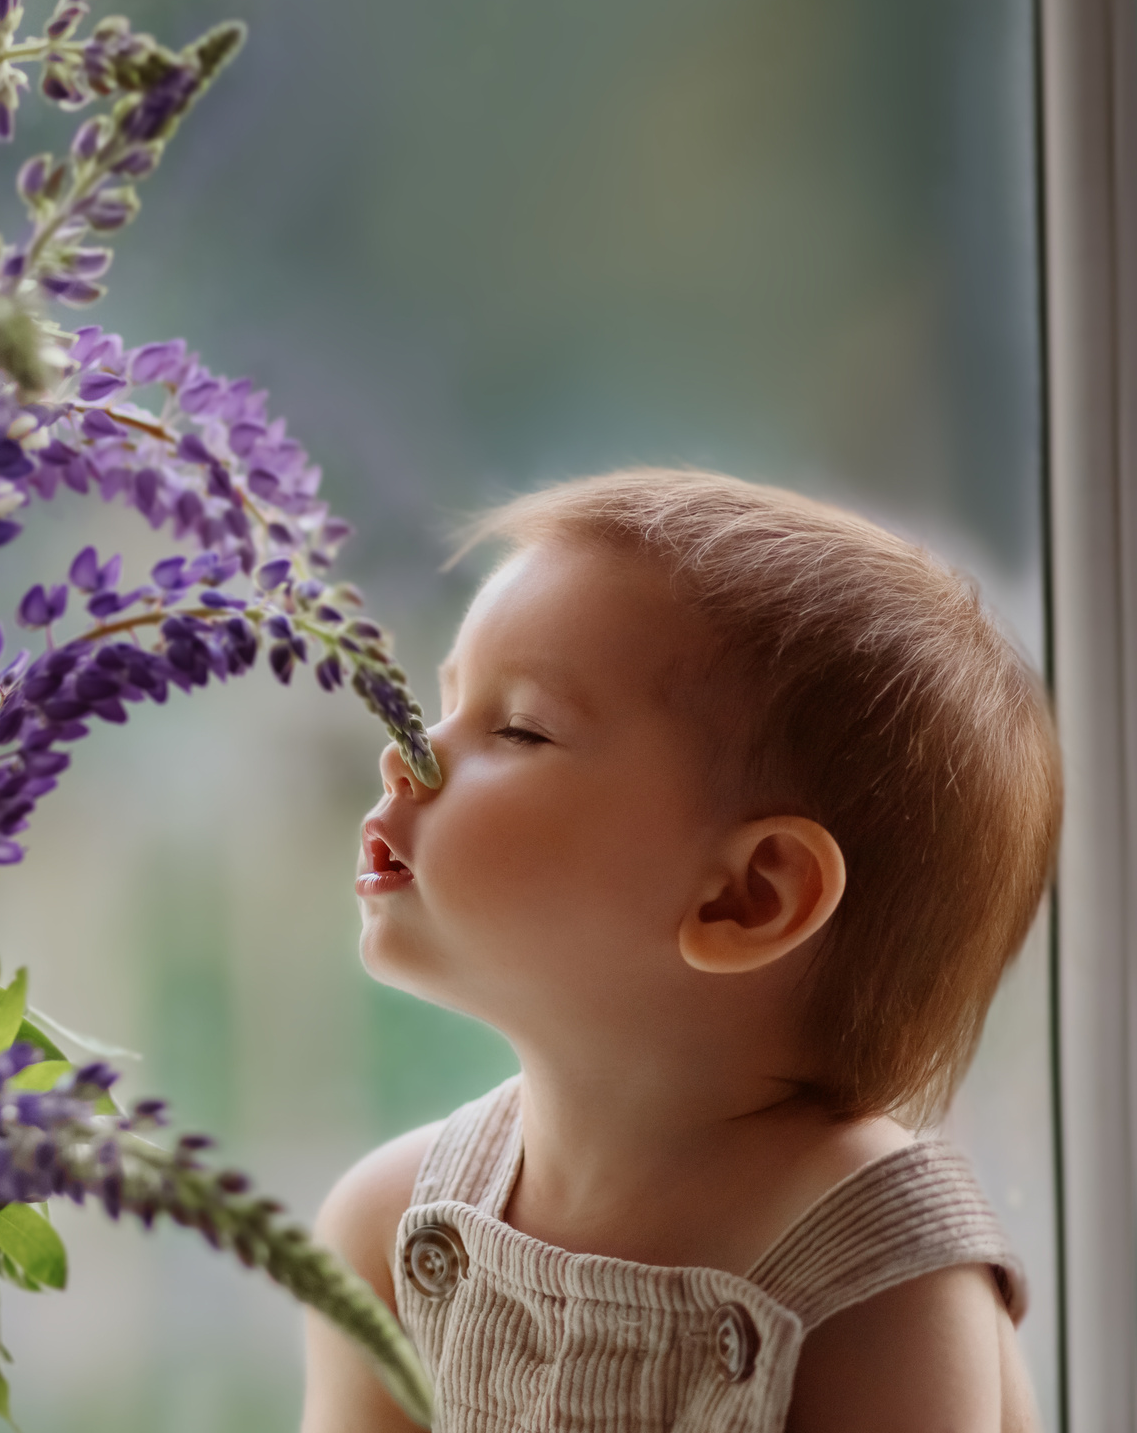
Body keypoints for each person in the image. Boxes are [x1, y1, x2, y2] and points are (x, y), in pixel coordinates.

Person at [300, 470, 1059, 1432]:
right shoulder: (390, 1226)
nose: (407, 751)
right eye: (441, 704)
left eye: (519, 728)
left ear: (749, 897)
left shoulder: (881, 1272)